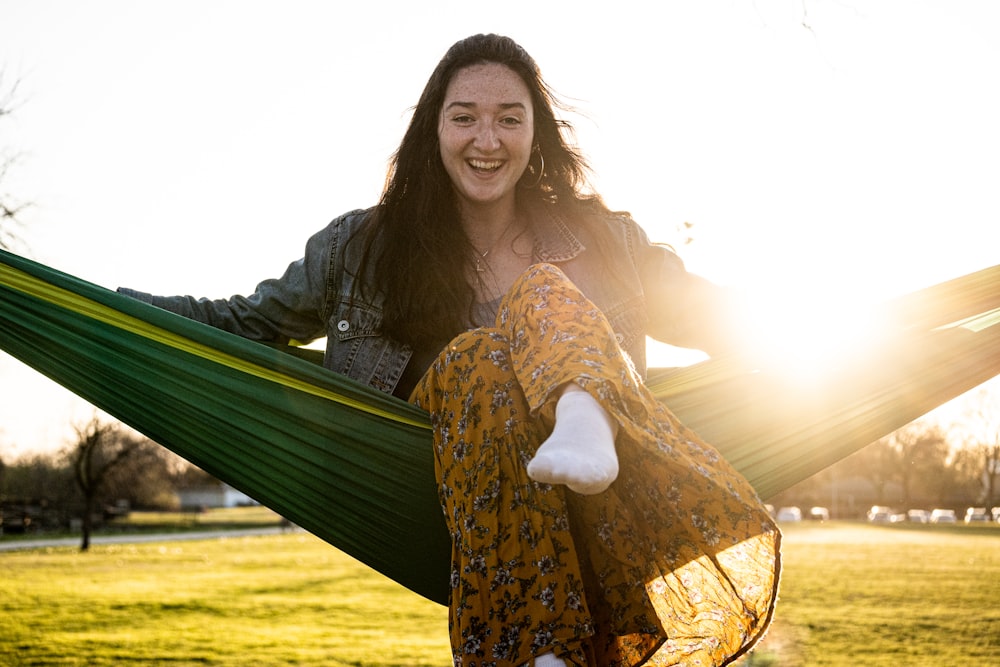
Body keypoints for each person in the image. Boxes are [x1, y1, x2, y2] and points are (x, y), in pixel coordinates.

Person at [119, 34, 780, 667]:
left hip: (580, 494)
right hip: (428, 471)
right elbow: (241, 319)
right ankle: (547, 639)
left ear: (535, 134)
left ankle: (585, 422)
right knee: (482, 358)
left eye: (508, 119)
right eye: (464, 117)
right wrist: (91, 306)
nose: (486, 140)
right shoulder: (361, 249)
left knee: (544, 289)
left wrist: (864, 347)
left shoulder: (607, 243)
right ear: (434, 131)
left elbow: (715, 318)